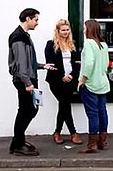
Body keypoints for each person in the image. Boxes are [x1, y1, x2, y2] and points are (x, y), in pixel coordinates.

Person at [8, 8, 56, 156]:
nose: (37, 23)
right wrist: (28, 83)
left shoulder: (24, 36)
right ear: (28, 19)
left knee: (29, 110)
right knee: (26, 110)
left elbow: (29, 62)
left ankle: (18, 141)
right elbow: (21, 65)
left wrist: (42, 66)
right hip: (24, 80)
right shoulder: (18, 37)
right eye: (36, 20)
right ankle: (18, 144)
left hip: (27, 78)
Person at [44, 19, 83, 145]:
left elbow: (77, 63)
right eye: (63, 30)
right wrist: (62, 76)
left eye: (67, 30)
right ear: (58, 31)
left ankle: (57, 132)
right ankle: (73, 133)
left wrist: (71, 75)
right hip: (56, 81)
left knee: (64, 105)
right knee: (65, 104)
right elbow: (51, 64)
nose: (65, 32)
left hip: (70, 81)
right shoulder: (51, 45)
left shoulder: (73, 44)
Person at [77, 19, 111, 153]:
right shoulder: (103, 45)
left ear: (89, 29)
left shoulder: (89, 44)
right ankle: (102, 142)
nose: (83, 30)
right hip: (102, 83)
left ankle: (92, 145)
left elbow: (90, 63)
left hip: (91, 84)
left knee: (92, 114)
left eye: (84, 28)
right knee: (102, 112)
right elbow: (106, 64)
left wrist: (83, 79)